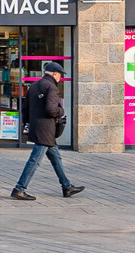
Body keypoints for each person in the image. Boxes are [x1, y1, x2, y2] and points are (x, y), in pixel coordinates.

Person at [9, 59, 82, 200]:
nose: (60, 78)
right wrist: (61, 111)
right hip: (46, 129)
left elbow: (25, 108)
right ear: (55, 74)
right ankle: (19, 189)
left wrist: (27, 124)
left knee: (56, 158)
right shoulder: (52, 87)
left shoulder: (34, 85)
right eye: (60, 75)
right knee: (35, 160)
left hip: (37, 127)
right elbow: (51, 109)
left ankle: (67, 186)